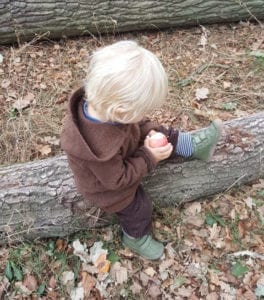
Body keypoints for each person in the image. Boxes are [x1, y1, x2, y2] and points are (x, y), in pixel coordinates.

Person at [61, 40, 222, 260]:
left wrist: (151, 132)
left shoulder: (108, 109)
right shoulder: (98, 150)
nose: (144, 113)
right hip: (108, 186)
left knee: (162, 133)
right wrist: (149, 156)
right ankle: (135, 237)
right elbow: (117, 180)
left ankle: (192, 146)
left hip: (122, 146)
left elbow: (134, 125)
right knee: (138, 207)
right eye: (141, 110)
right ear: (122, 112)